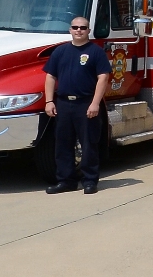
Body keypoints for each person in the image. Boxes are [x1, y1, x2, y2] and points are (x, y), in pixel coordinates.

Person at [43, 17, 112, 194]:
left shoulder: (96, 52)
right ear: (70, 30)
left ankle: (89, 181)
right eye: (75, 27)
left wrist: (95, 103)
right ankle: (66, 181)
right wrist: (49, 101)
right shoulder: (60, 51)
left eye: (83, 27)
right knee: (63, 144)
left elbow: (103, 78)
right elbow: (50, 76)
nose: (78, 30)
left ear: (89, 30)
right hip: (63, 103)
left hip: (86, 103)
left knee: (89, 144)